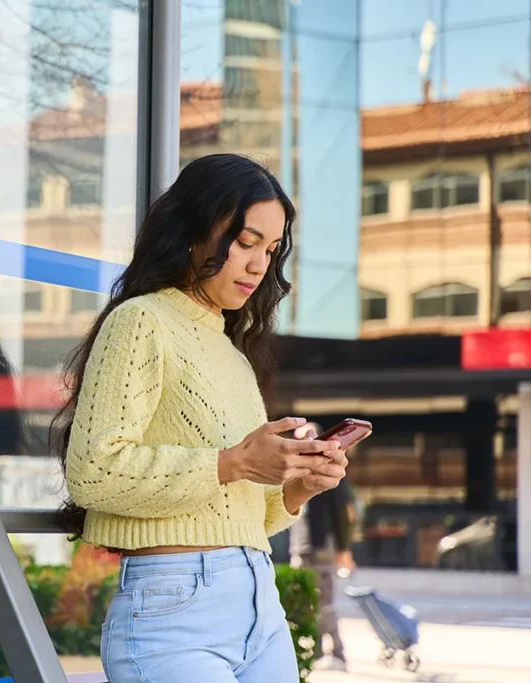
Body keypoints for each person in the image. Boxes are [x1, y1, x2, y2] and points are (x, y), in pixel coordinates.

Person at [52, 154, 349, 683]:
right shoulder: (141, 321)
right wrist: (232, 462)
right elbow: (93, 472)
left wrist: (299, 487)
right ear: (193, 230)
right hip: (173, 609)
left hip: (259, 603)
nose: (260, 265)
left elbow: (249, 517)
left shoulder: (233, 353)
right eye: (246, 241)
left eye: (272, 249)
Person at [290, 421, 356, 672]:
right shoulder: (297, 467)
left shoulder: (328, 467)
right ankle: (321, 650)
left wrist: (344, 550)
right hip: (301, 546)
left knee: (323, 602)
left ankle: (337, 651)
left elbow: (342, 513)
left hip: (320, 545)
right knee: (309, 603)